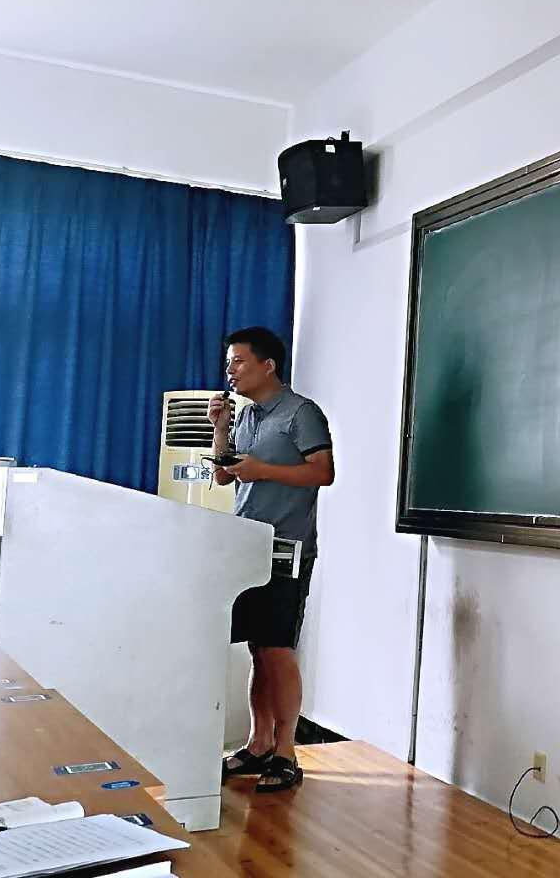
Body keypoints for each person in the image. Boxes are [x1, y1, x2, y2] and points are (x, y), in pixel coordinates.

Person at [208, 326, 334, 793]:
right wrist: (221, 429)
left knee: (278, 650)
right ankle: (258, 743)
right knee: (257, 648)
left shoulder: (302, 413)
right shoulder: (246, 415)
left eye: (238, 361)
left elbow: (323, 472)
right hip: (247, 547)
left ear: (268, 365)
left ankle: (286, 752)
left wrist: (262, 470)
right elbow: (225, 477)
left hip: (287, 550)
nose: (230, 370)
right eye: (228, 363)